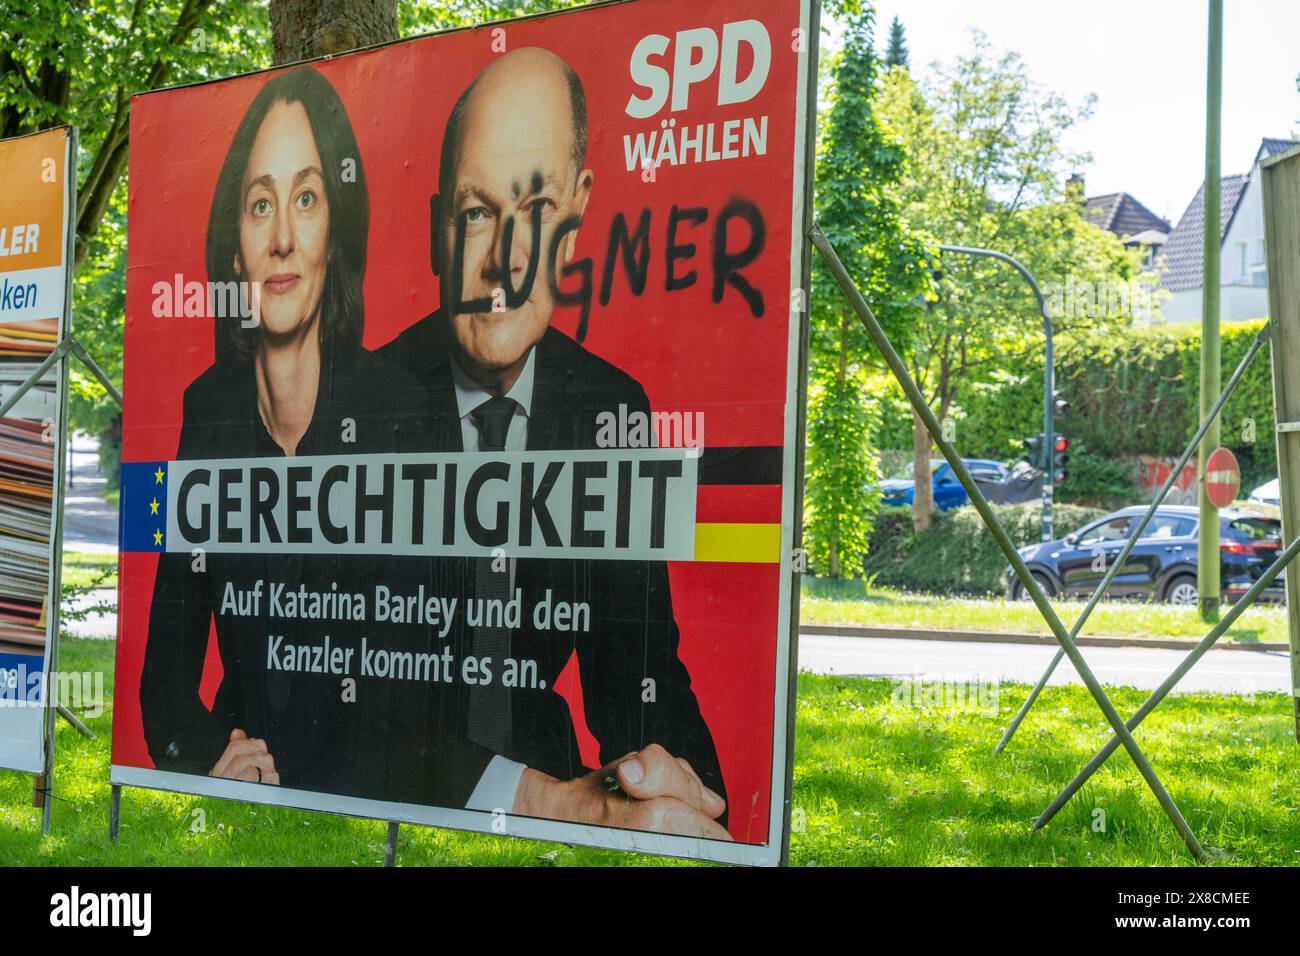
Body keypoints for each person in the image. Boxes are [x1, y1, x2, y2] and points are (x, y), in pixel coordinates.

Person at [379, 48, 730, 840]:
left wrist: (694, 803)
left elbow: (636, 668)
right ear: (441, 225)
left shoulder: (609, 407)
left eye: (534, 209)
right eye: (476, 212)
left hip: (550, 777)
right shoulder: (364, 406)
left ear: (575, 217)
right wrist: (552, 802)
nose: (504, 256)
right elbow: (358, 704)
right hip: (412, 786)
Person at [139, 67, 461, 803]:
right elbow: (165, 678)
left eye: (307, 199)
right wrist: (212, 760)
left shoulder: (405, 413)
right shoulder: (208, 414)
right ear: (234, 249)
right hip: (248, 790)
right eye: (260, 206)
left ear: (335, 234)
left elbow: (424, 687)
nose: (283, 238)